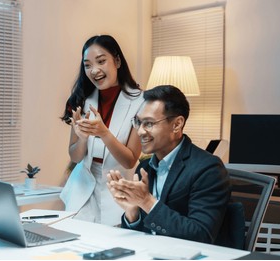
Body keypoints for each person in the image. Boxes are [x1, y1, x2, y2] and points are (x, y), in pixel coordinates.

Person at [107, 85, 231, 244]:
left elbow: (201, 235)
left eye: (149, 123)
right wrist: (133, 213)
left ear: (177, 124)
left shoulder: (208, 169)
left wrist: (146, 201)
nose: (140, 131)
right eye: (138, 122)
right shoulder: (144, 168)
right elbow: (145, 234)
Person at [60, 35, 144, 225]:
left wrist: (104, 133)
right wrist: (81, 139)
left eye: (101, 61)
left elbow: (130, 160)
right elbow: (75, 157)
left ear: (117, 61)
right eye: (87, 65)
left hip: (117, 188)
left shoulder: (141, 101)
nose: (94, 70)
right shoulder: (81, 99)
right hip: (81, 190)